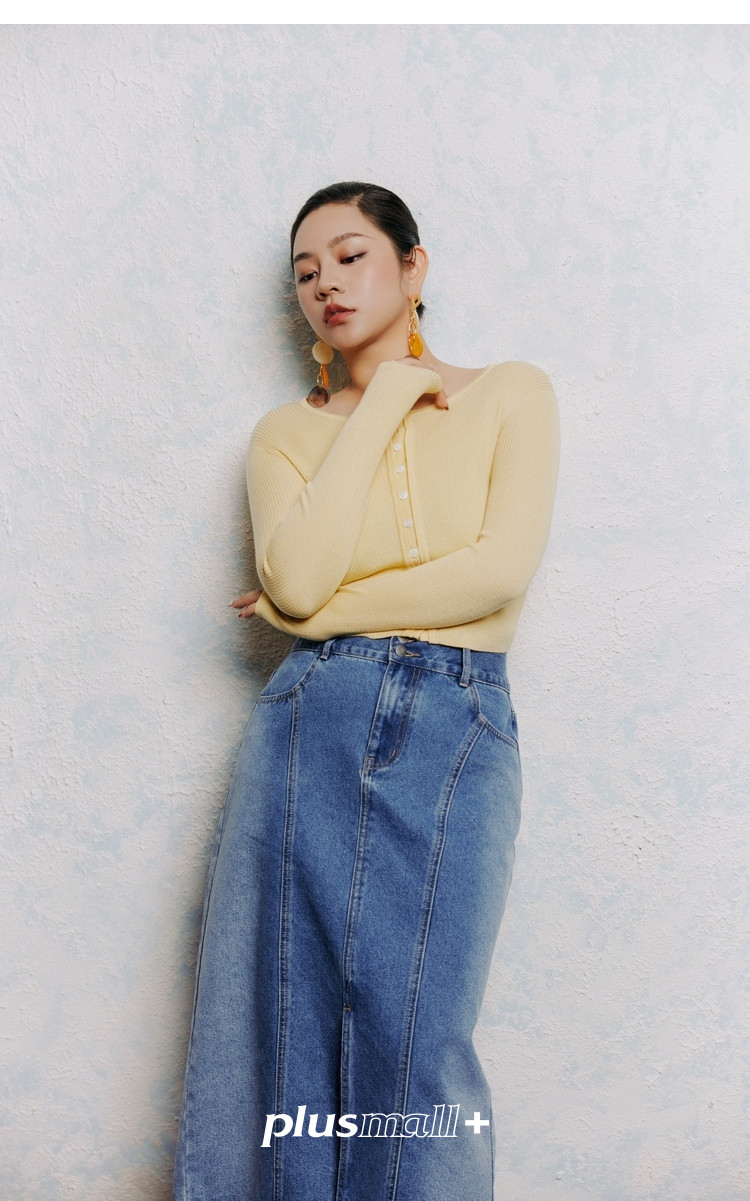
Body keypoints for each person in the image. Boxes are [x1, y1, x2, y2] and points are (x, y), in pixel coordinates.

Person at [172, 182, 560, 1201]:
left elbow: (496, 576)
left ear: (413, 265)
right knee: (285, 1020)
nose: (327, 285)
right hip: (316, 718)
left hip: (460, 720)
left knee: (422, 1032)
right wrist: (383, 397)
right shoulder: (283, 435)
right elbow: (300, 579)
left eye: (350, 256)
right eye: (306, 274)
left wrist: (310, 615)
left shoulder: (513, 393)